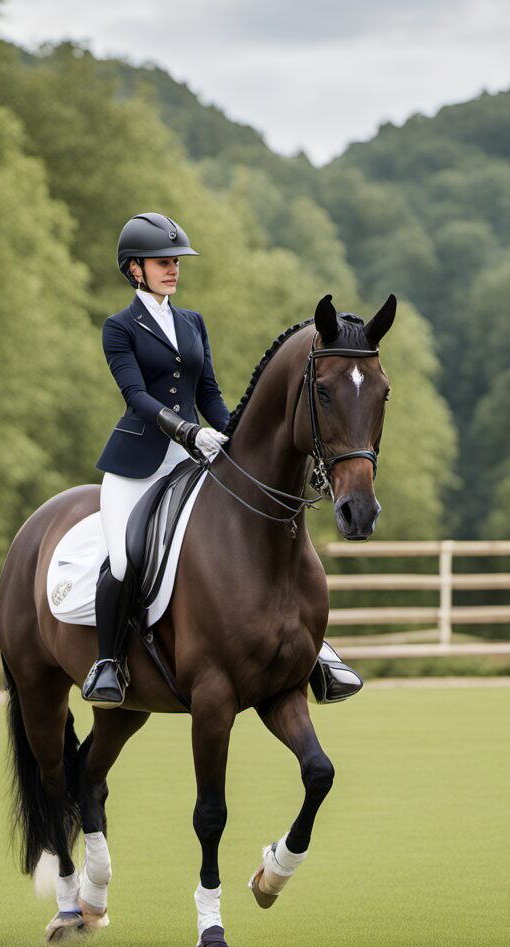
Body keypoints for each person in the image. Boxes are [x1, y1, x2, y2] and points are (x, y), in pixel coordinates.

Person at [81, 212, 363, 709]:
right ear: (134, 270)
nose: (173, 269)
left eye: (176, 261)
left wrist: (234, 434)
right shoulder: (119, 327)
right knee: (125, 558)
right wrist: (186, 429)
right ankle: (109, 662)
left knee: (263, 537)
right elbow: (135, 396)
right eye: (162, 262)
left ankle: (310, 649)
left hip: (198, 454)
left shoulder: (192, 322)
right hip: (139, 462)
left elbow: (208, 389)